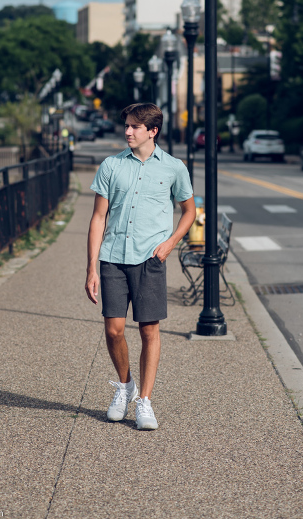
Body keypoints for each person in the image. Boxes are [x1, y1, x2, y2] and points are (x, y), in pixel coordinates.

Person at [85, 103, 195, 430]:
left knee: (149, 331)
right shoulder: (110, 166)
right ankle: (125, 386)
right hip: (113, 257)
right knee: (113, 329)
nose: (128, 132)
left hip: (151, 259)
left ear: (153, 131)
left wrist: (171, 242)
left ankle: (144, 402)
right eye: (127, 126)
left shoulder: (174, 168)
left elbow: (189, 211)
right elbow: (98, 217)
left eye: (134, 127)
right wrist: (91, 267)